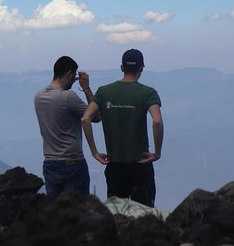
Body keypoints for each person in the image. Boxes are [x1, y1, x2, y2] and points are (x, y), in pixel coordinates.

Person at [81, 48, 164, 207]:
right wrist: (157, 153)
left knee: (117, 215)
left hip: (115, 166)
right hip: (141, 164)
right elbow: (157, 122)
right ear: (141, 68)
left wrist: (94, 152)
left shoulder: (104, 92)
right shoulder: (148, 93)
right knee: (144, 214)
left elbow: (85, 119)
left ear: (121, 68)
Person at [34, 55, 102, 198]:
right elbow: (96, 117)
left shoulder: (38, 96)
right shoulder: (68, 97)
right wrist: (86, 88)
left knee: (56, 213)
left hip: (49, 163)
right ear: (69, 74)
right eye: (74, 76)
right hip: (72, 163)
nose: (74, 80)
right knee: (78, 212)